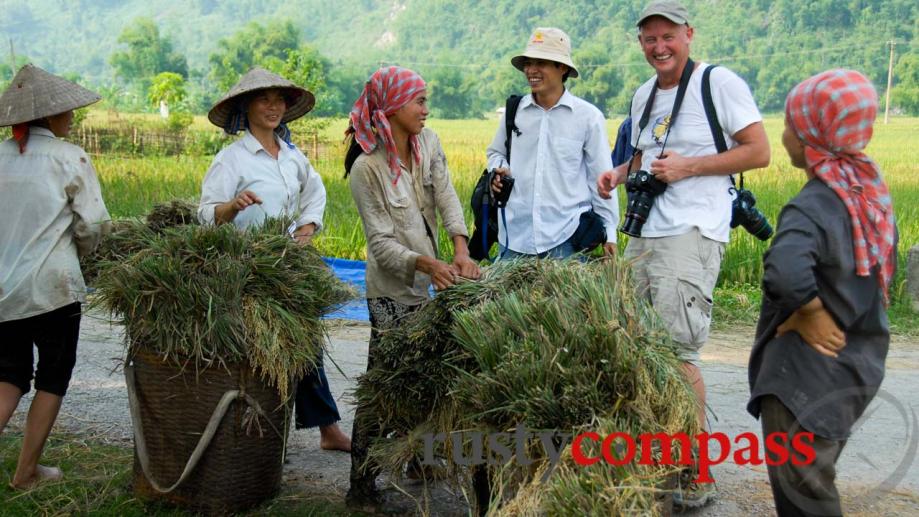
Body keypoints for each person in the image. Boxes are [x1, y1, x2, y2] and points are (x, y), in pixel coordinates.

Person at [597, 0, 770, 508]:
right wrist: (619, 175)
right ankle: (656, 455)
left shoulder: (718, 83)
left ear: (688, 34)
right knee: (636, 346)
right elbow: (644, 155)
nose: (659, 47)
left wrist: (690, 168)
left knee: (678, 352)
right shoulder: (643, 94)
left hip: (692, 231)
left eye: (668, 35)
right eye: (649, 38)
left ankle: (697, 470)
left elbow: (758, 152)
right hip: (645, 233)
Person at [748, 69, 896, 517]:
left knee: (805, 497)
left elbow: (785, 271)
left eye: (792, 124)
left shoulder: (813, 203)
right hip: (853, 368)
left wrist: (809, 311)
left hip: (803, 382)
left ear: (813, 133)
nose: (784, 133)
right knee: (815, 478)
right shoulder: (866, 190)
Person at [344, 66, 480, 511]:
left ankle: (419, 461)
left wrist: (460, 248)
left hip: (434, 281)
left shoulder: (429, 143)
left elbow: (446, 196)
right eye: (418, 101)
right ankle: (360, 486)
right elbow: (380, 243)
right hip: (391, 292)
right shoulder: (367, 169)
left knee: (428, 373)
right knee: (386, 380)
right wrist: (424, 263)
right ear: (392, 109)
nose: (426, 108)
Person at [197, 67, 350, 453]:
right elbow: (204, 212)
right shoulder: (232, 159)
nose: (273, 107)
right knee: (255, 353)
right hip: (244, 267)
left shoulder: (293, 156)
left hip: (285, 265)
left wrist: (306, 230)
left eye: (279, 99)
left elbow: (316, 194)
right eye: (264, 99)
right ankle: (254, 438)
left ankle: (327, 429)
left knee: (304, 340)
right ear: (246, 107)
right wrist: (230, 208)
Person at [0, 64, 111, 489]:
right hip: (54, 291)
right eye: (66, 111)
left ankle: (26, 468)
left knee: (8, 377)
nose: (72, 117)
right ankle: (26, 471)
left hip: (4, 291)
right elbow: (94, 225)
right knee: (52, 377)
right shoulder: (70, 158)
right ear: (48, 117)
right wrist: (78, 255)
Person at [486, 27, 619, 259]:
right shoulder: (514, 112)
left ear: (563, 67)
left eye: (542, 63)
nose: (531, 70)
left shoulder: (588, 117)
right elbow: (495, 152)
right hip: (514, 237)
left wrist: (610, 234)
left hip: (566, 239)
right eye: (528, 63)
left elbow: (601, 179)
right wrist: (498, 170)